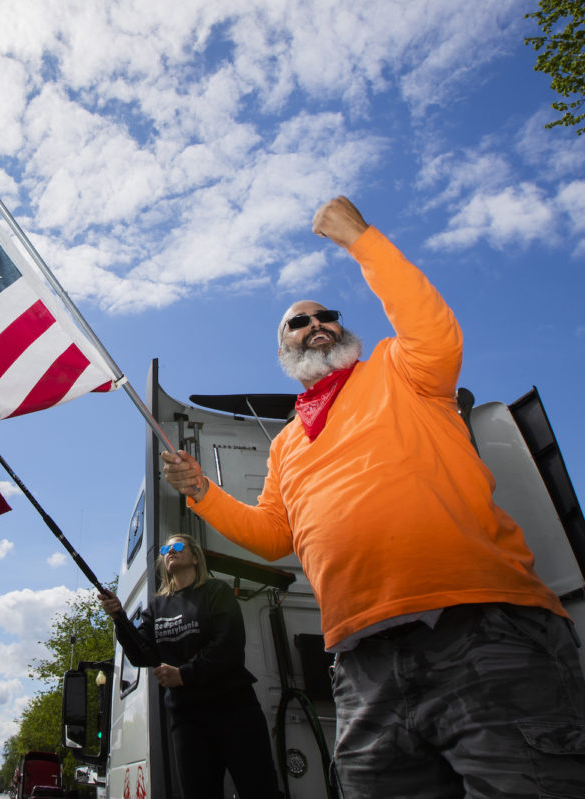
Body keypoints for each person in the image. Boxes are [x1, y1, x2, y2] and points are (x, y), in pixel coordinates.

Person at [161, 195, 585, 798]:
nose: (316, 325)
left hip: (480, 629)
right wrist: (202, 491)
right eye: (298, 322)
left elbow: (433, 328)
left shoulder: (400, 369)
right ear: (283, 350)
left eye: (325, 315)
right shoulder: (285, 445)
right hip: (361, 662)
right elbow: (274, 535)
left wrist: (361, 239)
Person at [98, 533, 283, 799]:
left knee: (258, 789)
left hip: (234, 710)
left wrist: (184, 674)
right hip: (188, 719)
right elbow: (142, 654)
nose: (170, 551)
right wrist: (119, 616)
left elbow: (228, 646)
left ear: (195, 557)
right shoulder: (158, 605)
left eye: (177, 546)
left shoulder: (215, 591)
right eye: (165, 548)